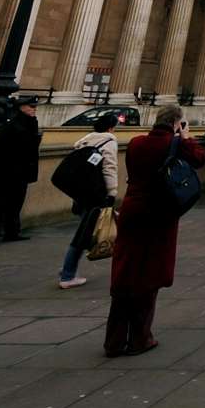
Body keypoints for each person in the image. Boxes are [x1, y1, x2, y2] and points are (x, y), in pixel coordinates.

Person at [106, 104, 205, 357]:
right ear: (177, 123)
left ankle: (114, 341)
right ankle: (140, 339)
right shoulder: (174, 144)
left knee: (125, 272)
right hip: (159, 213)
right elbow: (200, 159)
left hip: (131, 210)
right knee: (149, 276)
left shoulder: (136, 143)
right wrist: (185, 137)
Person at [58, 112, 119, 288]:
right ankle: (68, 275)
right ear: (111, 127)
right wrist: (112, 192)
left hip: (80, 193)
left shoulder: (86, 140)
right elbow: (109, 168)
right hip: (96, 194)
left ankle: (68, 270)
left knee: (86, 231)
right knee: (84, 235)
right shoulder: (109, 141)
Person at [0, 95, 42, 246]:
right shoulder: (11, 124)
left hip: (22, 171)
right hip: (6, 172)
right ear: (21, 107)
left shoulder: (31, 124)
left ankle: (12, 231)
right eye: (31, 106)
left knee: (15, 203)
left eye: (34, 107)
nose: (34, 109)